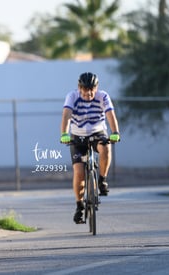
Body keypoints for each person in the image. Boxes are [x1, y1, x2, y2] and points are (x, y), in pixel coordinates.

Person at [60, 72, 120, 224]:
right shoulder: (72, 96)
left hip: (97, 132)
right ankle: (79, 206)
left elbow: (110, 115)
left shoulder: (103, 96)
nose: (89, 92)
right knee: (79, 172)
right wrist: (64, 134)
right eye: (85, 89)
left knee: (106, 147)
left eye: (92, 88)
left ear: (97, 87)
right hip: (77, 136)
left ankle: (102, 179)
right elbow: (66, 115)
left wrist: (115, 132)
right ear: (79, 88)